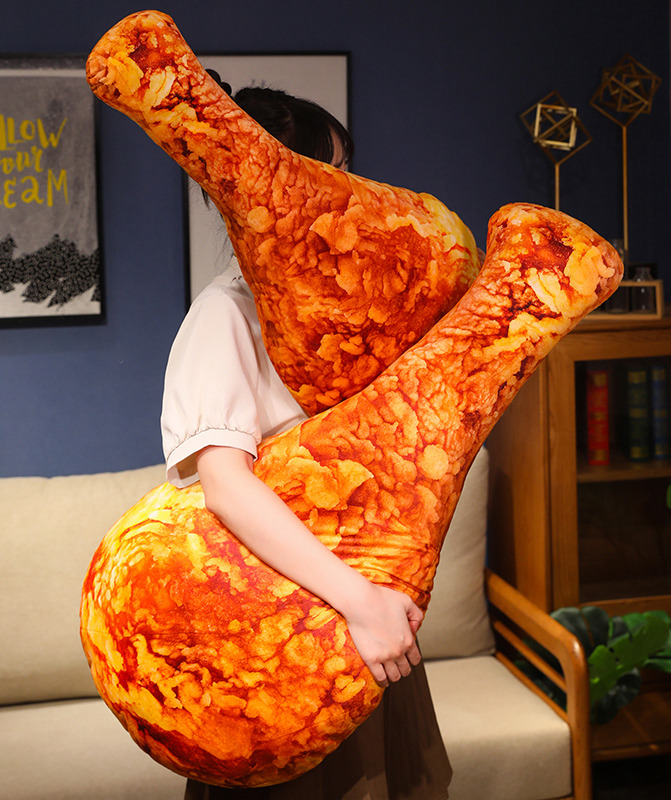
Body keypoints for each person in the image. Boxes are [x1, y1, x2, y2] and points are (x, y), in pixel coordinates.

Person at [161, 81, 452, 800]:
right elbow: (226, 486)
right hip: (292, 638)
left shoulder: (360, 316)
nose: (349, 194)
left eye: (347, 172)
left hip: (371, 624)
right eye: (327, 172)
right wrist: (361, 602)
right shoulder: (225, 314)